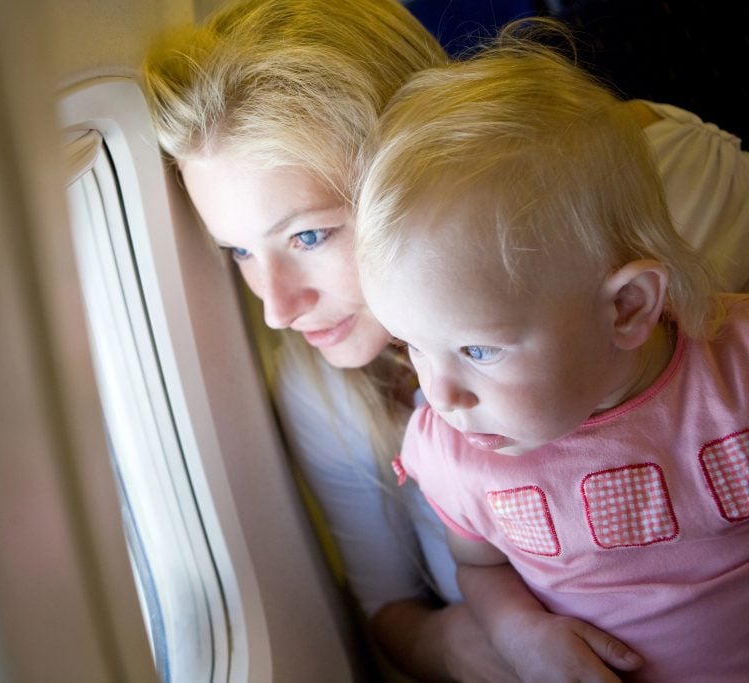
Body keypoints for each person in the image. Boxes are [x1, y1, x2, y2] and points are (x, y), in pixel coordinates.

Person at [142, 0, 749, 679]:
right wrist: (488, 637)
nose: (278, 308)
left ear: (412, 171)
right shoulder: (322, 389)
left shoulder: (653, 208)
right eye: (239, 253)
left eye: (309, 235)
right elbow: (387, 607)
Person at [355, 24, 749, 682]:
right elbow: (480, 566)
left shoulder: (734, 367)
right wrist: (518, 632)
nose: (441, 395)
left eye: (479, 348)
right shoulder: (457, 455)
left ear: (625, 308)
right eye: (412, 345)